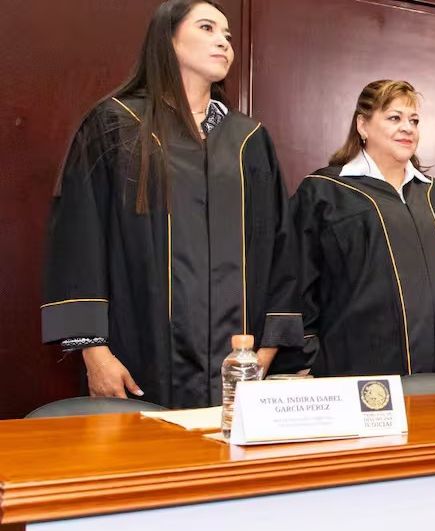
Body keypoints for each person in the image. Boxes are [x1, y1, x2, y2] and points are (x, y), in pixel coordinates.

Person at [41, 0, 301, 409]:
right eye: (207, 28)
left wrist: (265, 354)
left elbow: (280, 248)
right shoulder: (116, 124)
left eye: (228, 35)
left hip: (236, 366)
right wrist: (95, 353)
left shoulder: (248, 140)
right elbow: (79, 240)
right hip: (137, 356)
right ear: (169, 39)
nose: (224, 42)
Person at [288, 80, 435, 377]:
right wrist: (305, 358)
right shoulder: (326, 192)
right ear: (363, 126)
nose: (408, 128)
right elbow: (297, 280)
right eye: (395, 118)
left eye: (414, 121)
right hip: (357, 371)